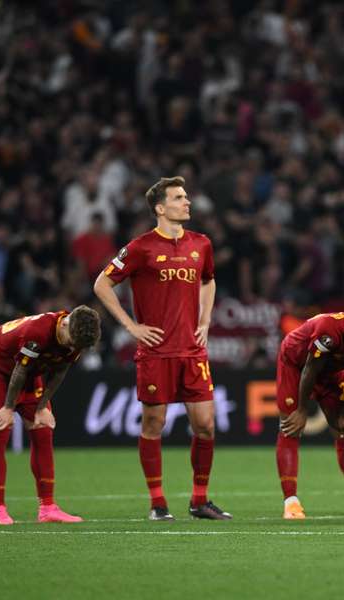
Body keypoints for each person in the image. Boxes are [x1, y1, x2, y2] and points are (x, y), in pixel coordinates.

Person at [94, 176, 230, 521]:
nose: (187, 202)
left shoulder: (202, 244)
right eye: (179, 197)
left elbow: (209, 281)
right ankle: (158, 503)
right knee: (154, 424)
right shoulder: (140, 248)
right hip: (156, 352)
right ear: (160, 208)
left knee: (206, 425)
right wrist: (130, 326)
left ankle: (200, 500)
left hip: (192, 351)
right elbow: (102, 283)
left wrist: (205, 321)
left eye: (186, 196)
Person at [0, 306, 101, 524]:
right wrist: (8, 407)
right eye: (71, 342)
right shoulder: (37, 333)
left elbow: (61, 370)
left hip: (29, 370)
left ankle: (48, 507)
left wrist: (42, 406)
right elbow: (19, 371)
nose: (71, 348)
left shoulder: (77, 337)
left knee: (42, 431)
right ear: (64, 323)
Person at [276, 311, 344, 520]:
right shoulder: (328, 332)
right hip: (296, 362)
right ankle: (291, 504)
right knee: (290, 426)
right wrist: (301, 410)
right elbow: (310, 369)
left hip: (331, 371)